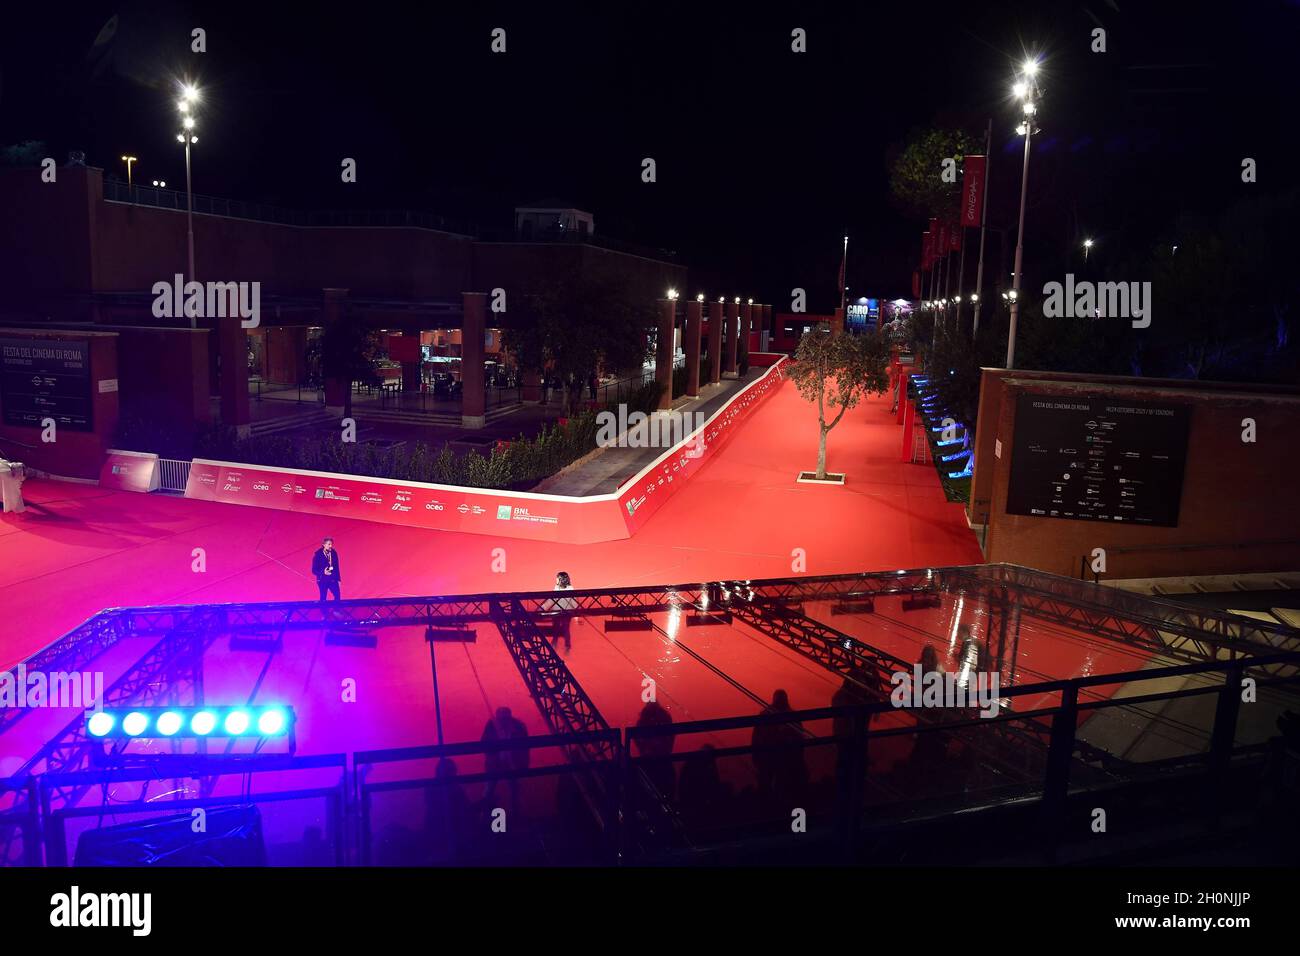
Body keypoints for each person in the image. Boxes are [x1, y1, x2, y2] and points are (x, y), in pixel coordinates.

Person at [480, 706, 530, 816]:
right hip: (500, 763)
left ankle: (489, 815)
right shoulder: (516, 726)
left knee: (511, 790)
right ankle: (513, 814)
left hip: (508, 763)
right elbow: (525, 747)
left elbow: (524, 747)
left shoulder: (495, 725)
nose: (502, 720)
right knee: (496, 789)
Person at [545, 571, 577, 653]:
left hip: (562, 613)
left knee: (563, 628)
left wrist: (541, 609)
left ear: (560, 580)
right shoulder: (566, 590)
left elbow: (550, 602)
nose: (556, 580)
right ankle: (563, 644)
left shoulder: (566, 591)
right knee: (561, 628)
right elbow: (575, 604)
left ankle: (563, 644)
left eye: (557, 578)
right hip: (561, 612)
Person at [311, 537, 341, 601]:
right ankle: (324, 611)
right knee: (323, 597)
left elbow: (336, 567)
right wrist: (323, 572)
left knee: (337, 594)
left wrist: (338, 579)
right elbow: (314, 570)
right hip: (322, 579)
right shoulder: (318, 555)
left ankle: (336, 610)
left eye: (331, 544)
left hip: (332, 579)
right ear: (323, 545)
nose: (331, 546)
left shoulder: (334, 553)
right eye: (329, 544)